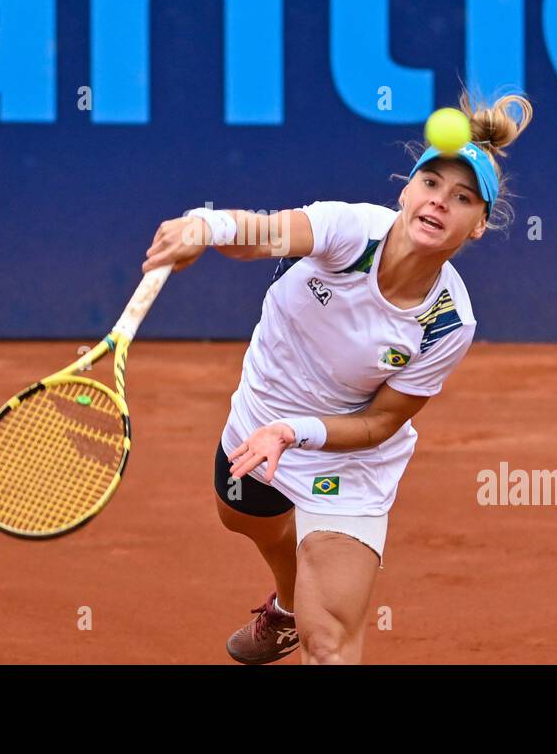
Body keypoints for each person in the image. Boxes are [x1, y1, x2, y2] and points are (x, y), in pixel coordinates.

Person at [141, 91, 532, 664]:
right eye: (430, 185)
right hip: (256, 420)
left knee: (330, 648)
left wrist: (295, 433)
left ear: (479, 225)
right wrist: (204, 226)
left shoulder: (449, 322)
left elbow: (378, 423)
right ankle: (289, 605)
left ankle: (307, 612)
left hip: (346, 459)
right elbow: (263, 235)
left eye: (463, 198)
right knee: (243, 517)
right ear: (406, 190)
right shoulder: (353, 231)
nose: (440, 202)